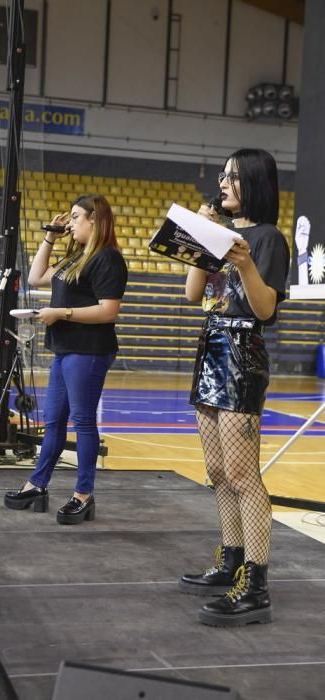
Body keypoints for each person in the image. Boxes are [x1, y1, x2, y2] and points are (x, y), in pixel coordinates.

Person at [178, 148, 290, 627]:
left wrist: (243, 263)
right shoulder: (223, 233)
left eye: (233, 178)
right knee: (218, 470)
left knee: (244, 476)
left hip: (243, 352)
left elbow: (265, 309)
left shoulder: (268, 239)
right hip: (212, 347)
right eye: (223, 177)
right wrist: (199, 239)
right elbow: (192, 293)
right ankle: (230, 560)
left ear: (256, 185)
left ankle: (257, 584)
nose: (223, 184)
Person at [4, 194, 128, 524]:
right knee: (54, 421)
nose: (70, 223)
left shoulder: (108, 259)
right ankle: (37, 484)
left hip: (89, 351)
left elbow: (108, 311)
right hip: (64, 349)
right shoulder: (76, 257)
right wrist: (50, 238)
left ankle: (83, 494)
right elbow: (35, 277)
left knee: (83, 421)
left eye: (75, 217)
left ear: (95, 220)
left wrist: (61, 312)